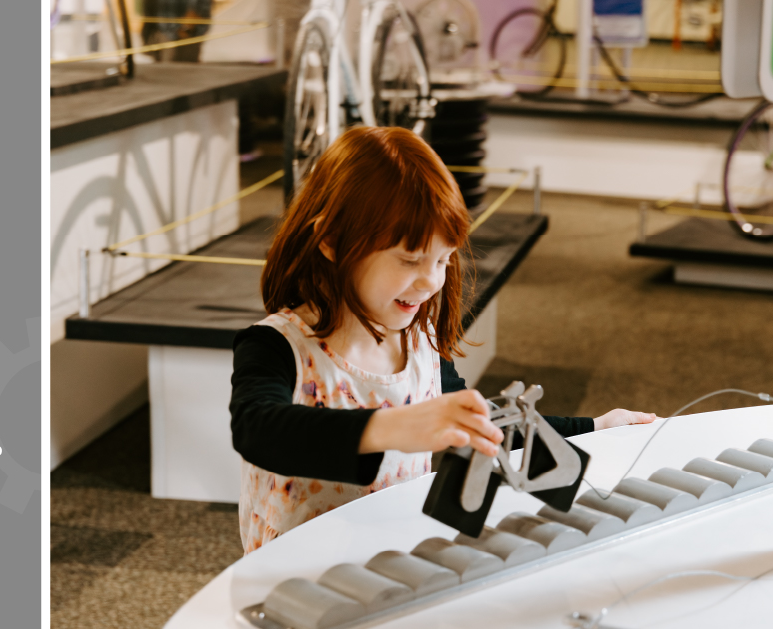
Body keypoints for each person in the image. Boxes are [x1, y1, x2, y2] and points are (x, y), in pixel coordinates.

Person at [229, 127, 657, 554]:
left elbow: (481, 425)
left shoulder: (420, 343)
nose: (432, 280)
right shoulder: (278, 345)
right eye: (410, 259)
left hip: (389, 562)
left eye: (443, 258)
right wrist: (392, 426)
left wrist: (596, 428)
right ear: (332, 241)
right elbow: (259, 429)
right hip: (294, 582)